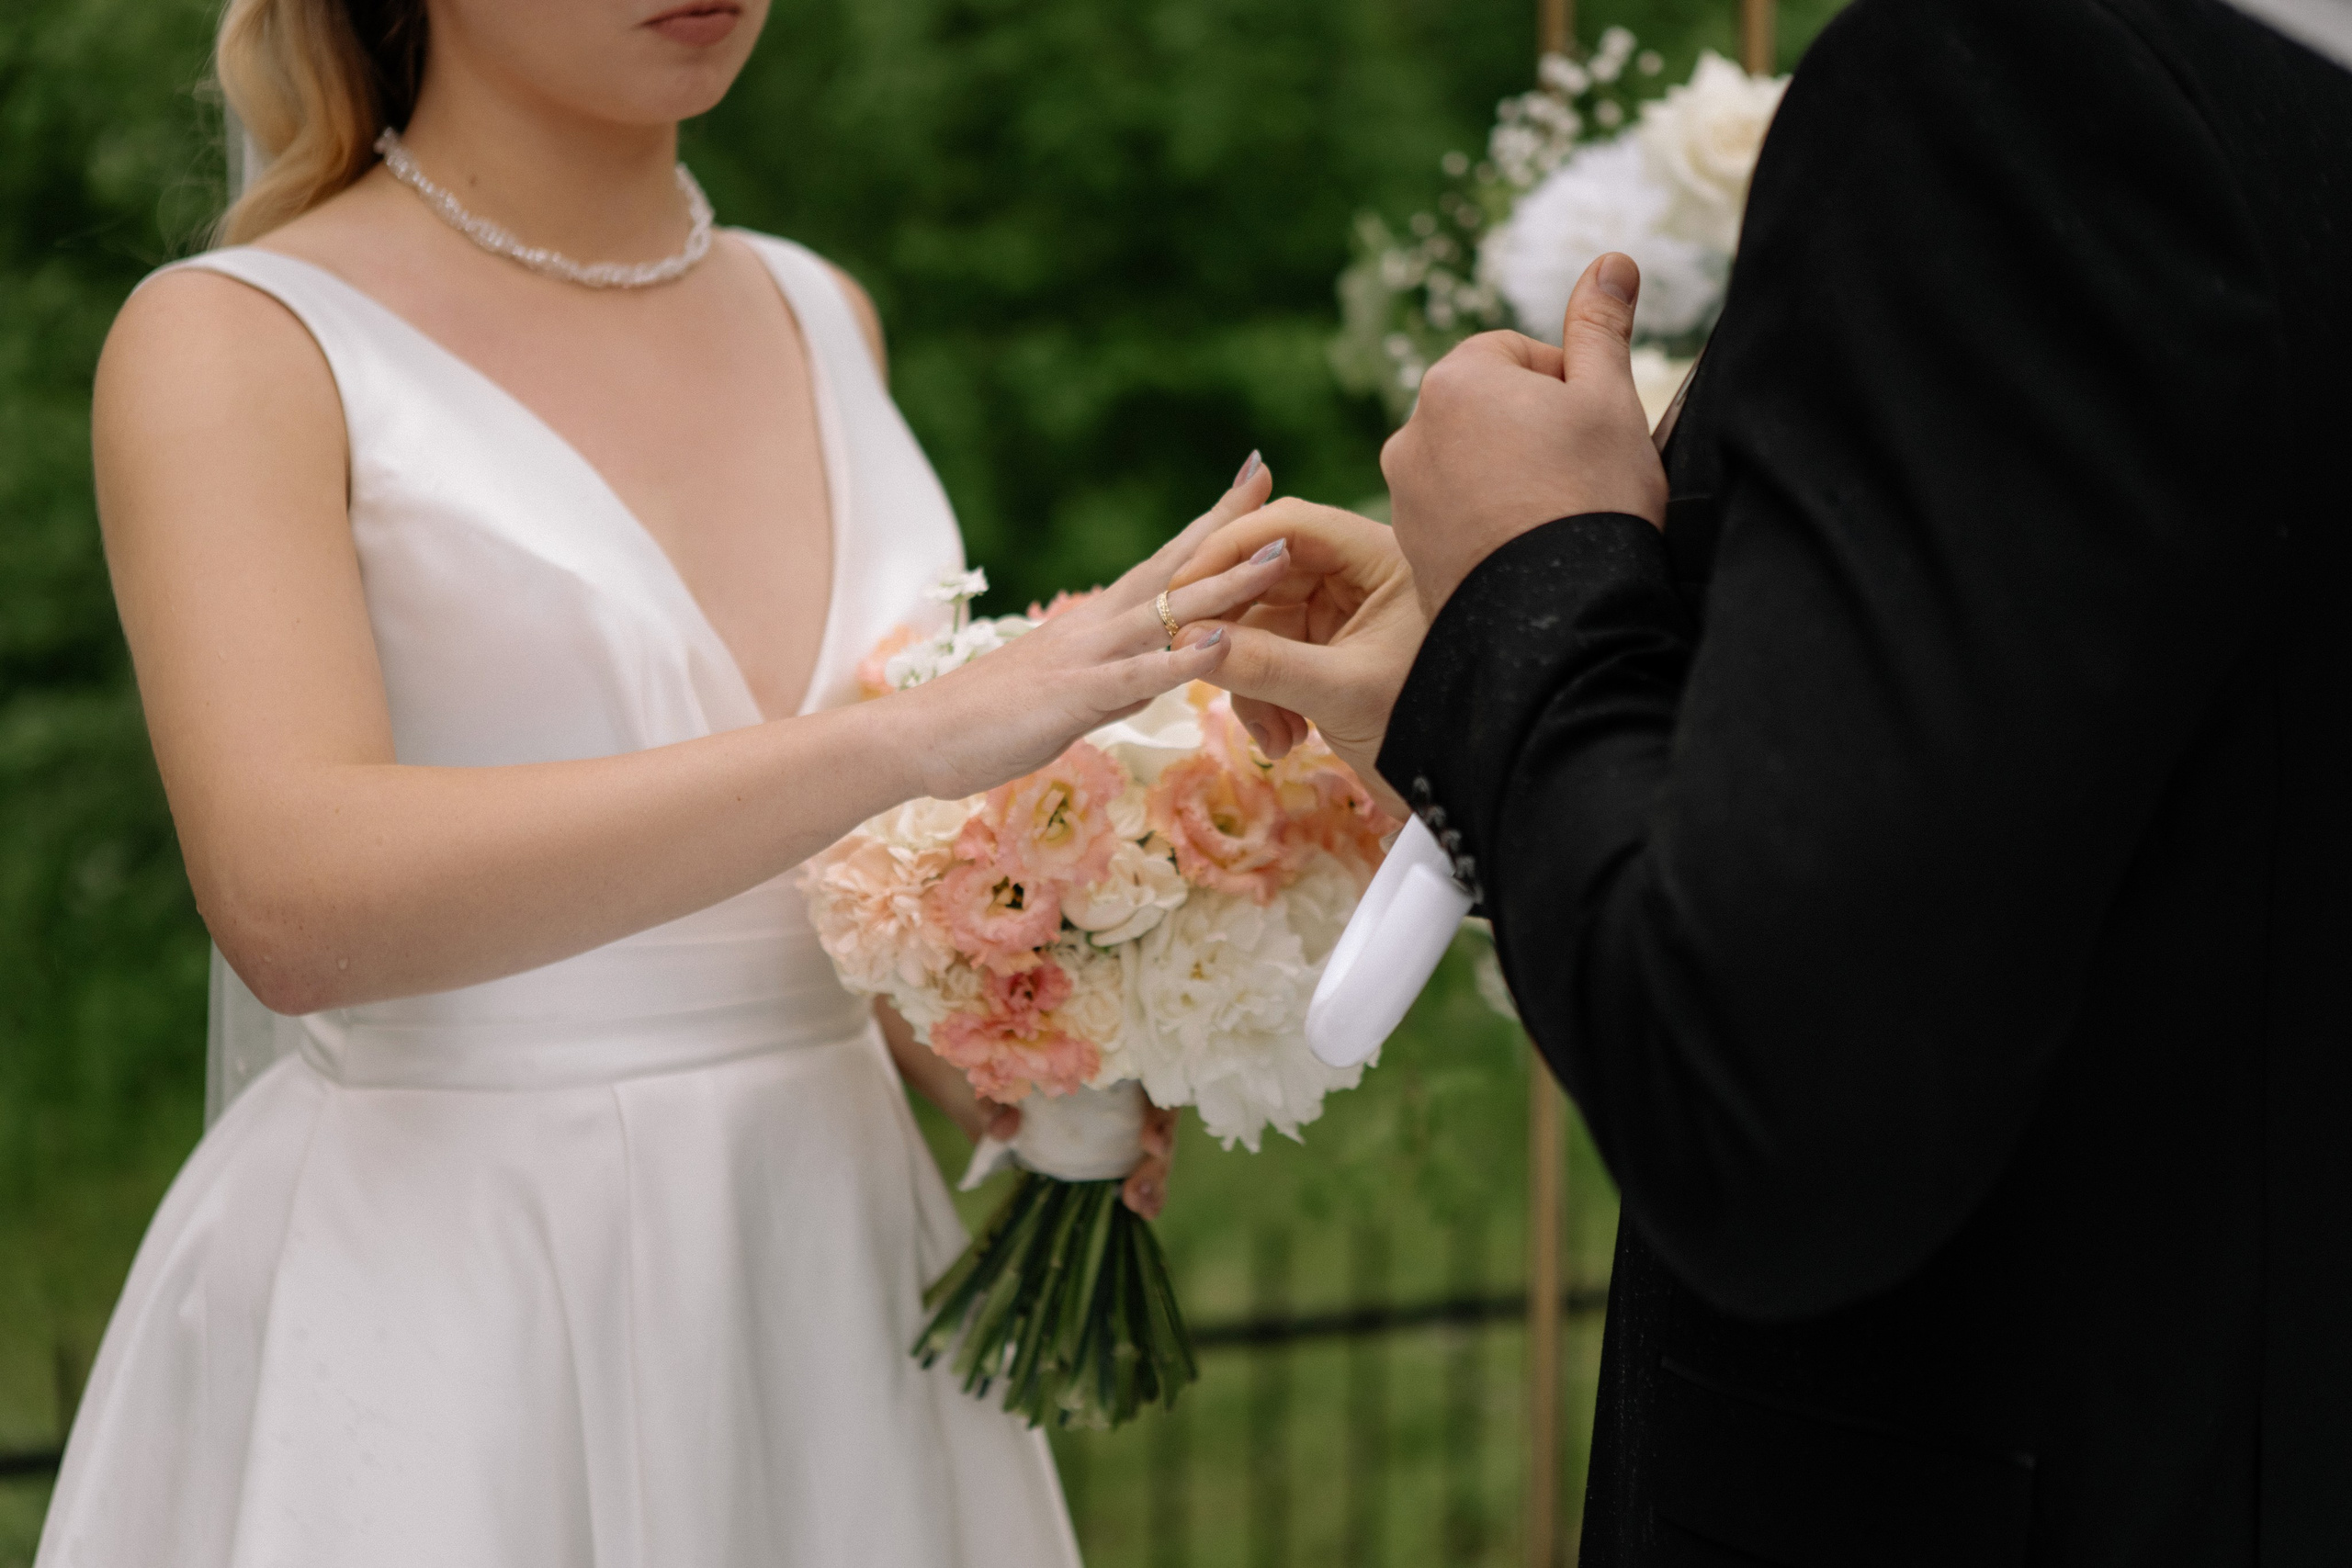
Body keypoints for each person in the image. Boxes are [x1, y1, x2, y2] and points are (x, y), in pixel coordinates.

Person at [41, 1, 1293, 1563]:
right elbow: (290, 901)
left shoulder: (821, 309)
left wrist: (1023, 1007)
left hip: (826, 1264)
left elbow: (809, 880)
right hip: (461, 1285)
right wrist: (926, 738)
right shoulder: (238, 339)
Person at [1181, 0, 2352, 1557]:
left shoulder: (2023, 77)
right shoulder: (2274, 110)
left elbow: (1773, 1106)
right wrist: (1485, 674)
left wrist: (1536, 582)